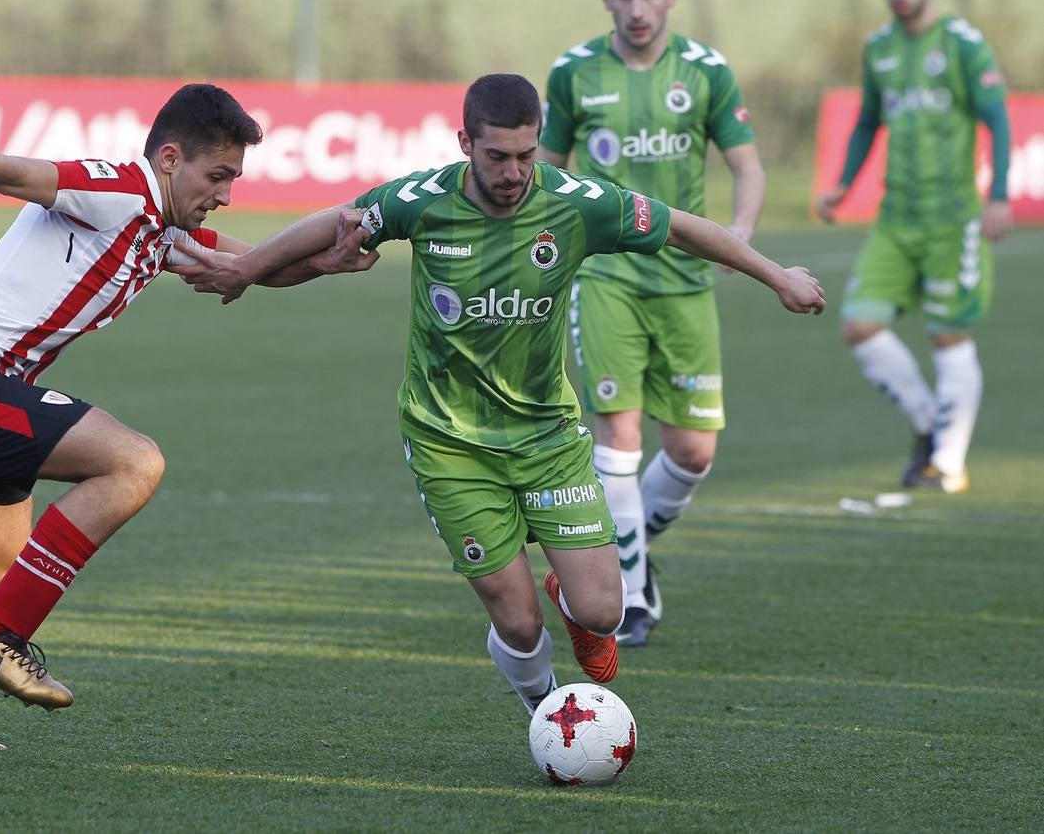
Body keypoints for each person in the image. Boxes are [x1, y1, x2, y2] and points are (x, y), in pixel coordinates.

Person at [173, 74, 824, 714]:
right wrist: (246, 269)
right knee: (516, 625)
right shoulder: (422, 199)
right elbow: (333, 223)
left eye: (524, 155)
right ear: (464, 143)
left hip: (545, 436)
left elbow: (681, 227)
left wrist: (775, 276)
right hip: (447, 438)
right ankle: (550, 712)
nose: (513, 172)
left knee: (603, 611)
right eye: (496, 157)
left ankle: (569, 604)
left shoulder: (575, 202)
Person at [0, 83, 373, 750]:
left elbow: (249, 265)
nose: (224, 194)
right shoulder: (118, 190)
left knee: (5, 572)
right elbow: (10, 170)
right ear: (169, 158)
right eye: (217, 175)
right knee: (134, 461)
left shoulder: (159, 230)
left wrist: (326, 263)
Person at [537, 0, 765, 648]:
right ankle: (628, 598)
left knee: (693, 452)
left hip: (686, 279)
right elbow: (544, 173)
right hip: (605, 276)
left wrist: (740, 231)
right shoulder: (574, 73)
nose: (636, 8)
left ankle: (625, 544)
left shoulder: (704, 72)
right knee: (619, 440)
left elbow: (747, 166)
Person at [815, 0, 1012, 494]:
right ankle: (929, 426)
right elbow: (867, 122)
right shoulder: (879, 48)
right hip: (896, 221)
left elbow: (997, 119)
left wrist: (997, 193)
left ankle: (946, 462)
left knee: (948, 335)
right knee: (859, 325)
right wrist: (843, 186)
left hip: (953, 221)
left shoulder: (962, 45)